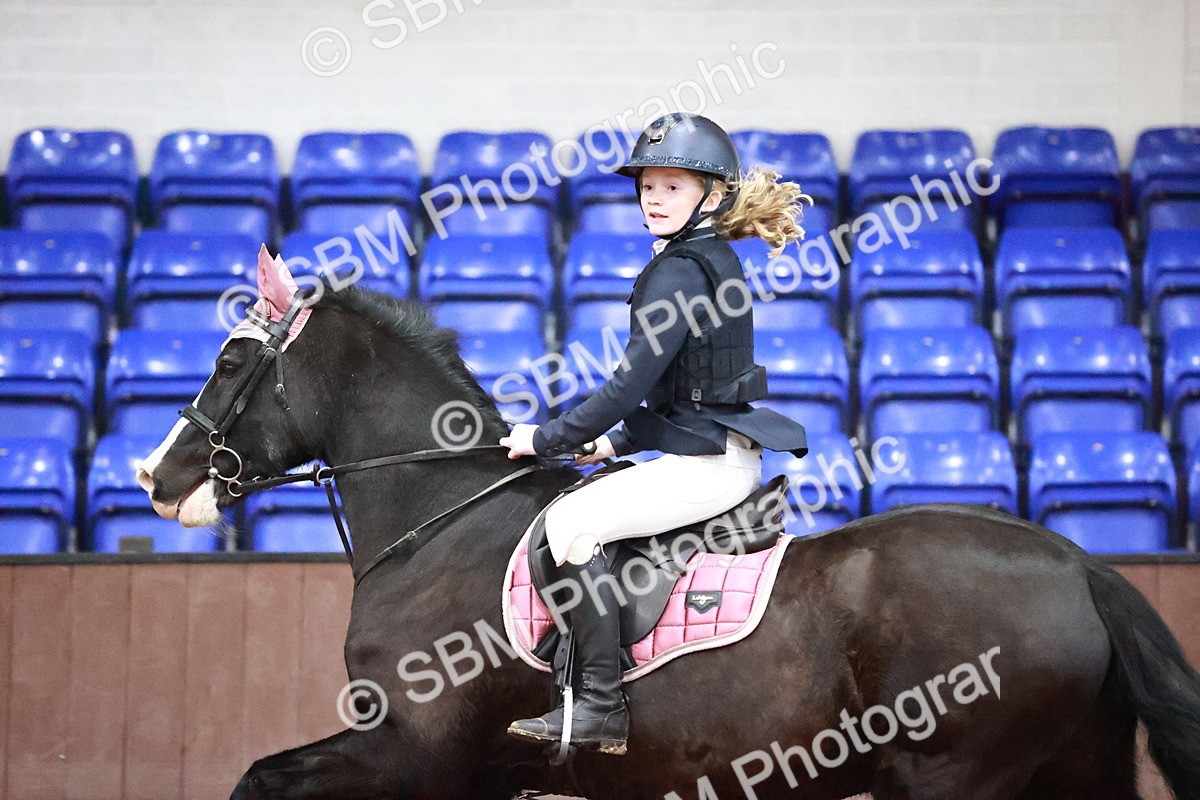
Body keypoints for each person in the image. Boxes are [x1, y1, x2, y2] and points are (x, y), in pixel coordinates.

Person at [499, 112, 810, 755]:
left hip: (707, 467)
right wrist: (612, 444)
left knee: (568, 529)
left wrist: (546, 439)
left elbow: (625, 386)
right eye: (648, 186)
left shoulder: (679, 271)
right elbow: (682, 391)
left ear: (711, 194)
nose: (654, 198)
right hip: (711, 452)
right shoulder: (707, 260)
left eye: (672, 186)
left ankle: (601, 709)